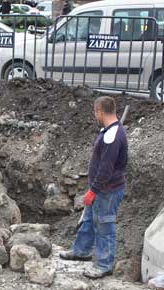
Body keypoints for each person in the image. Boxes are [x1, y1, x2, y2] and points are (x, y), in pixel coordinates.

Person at [59, 96, 128, 279]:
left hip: (108, 190)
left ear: (99, 111)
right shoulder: (108, 131)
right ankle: (81, 251)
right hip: (102, 187)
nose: (94, 114)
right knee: (89, 220)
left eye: (94, 111)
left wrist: (93, 190)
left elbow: (106, 168)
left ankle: (104, 265)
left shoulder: (112, 136)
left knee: (104, 225)